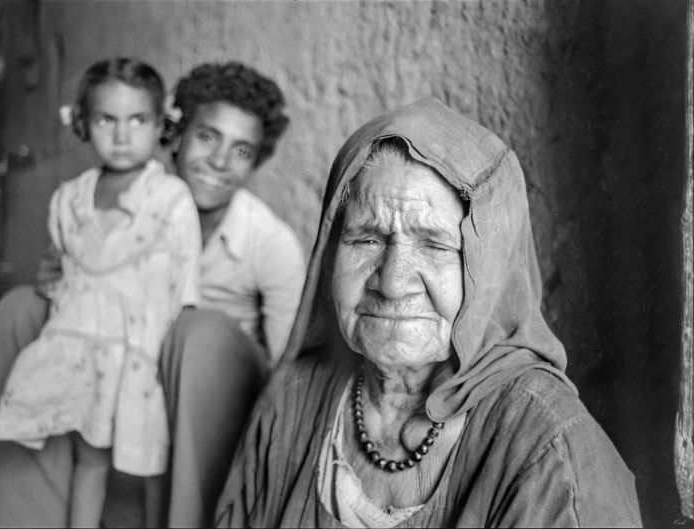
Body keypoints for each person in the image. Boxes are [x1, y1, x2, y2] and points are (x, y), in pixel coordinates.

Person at [215, 98, 643, 527]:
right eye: (366, 239)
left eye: (436, 245)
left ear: (489, 271)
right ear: (329, 254)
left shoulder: (549, 450)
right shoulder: (293, 400)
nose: (392, 282)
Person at [0, 61, 306, 528]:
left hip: (207, 384)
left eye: (242, 150)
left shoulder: (269, 243)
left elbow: (292, 370)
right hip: (123, 355)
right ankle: (5, 510)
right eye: (207, 137)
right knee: (23, 307)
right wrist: (58, 277)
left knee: (195, 331)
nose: (220, 162)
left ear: (255, 161)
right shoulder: (130, 196)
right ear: (176, 132)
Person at [0, 57, 200, 528]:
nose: (122, 136)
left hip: (143, 356)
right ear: (83, 123)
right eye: (107, 119)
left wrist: (172, 357)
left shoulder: (170, 199)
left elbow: (185, 287)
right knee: (90, 461)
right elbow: (61, 270)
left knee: (152, 468)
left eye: (138, 120)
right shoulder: (68, 199)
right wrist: (49, 280)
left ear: (160, 125)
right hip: (82, 354)